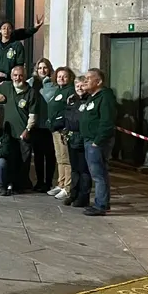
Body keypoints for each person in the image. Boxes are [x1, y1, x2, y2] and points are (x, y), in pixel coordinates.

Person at [0, 66, 39, 192]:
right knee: (10, 159)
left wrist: (27, 129)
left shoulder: (30, 92)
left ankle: (21, 185)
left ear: (25, 76)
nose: (18, 78)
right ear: (12, 76)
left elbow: (33, 115)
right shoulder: (7, 86)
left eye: (21, 75)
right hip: (8, 133)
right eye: (15, 75)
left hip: (23, 133)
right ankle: (9, 183)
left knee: (24, 160)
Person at [80, 68, 117, 216]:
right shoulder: (92, 97)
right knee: (97, 173)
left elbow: (107, 121)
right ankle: (101, 202)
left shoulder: (105, 97)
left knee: (98, 174)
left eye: (89, 78)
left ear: (99, 81)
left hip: (96, 142)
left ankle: (101, 205)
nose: (85, 81)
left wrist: (97, 141)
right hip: (89, 140)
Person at [56, 76, 91, 207]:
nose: (80, 88)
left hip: (83, 138)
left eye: (82, 86)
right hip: (72, 139)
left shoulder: (89, 101)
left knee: (84, 171)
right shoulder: (72, 101)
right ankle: (73, 194)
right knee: (74, 169)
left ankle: (83, 197)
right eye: (77, 86)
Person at [47, 66, 77, 200]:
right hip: (55, 130)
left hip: (63, 129)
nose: (61, 78)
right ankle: (61, 183)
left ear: (70, 78)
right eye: (59, 76)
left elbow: (68, 110)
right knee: (59, 158)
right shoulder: (57, 91)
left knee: (66, 159)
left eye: (64, 76)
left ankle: (67, 187)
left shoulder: (70, 91)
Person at [29, 57, 57, 193]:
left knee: (50, 155)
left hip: (48, 126)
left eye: (45, 67)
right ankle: (39, 181)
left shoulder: (54, 84)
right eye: (40, 68)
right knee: (38, 156)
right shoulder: (31, 83)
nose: (42, 70)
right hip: (36, 125)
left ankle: (48, 182)